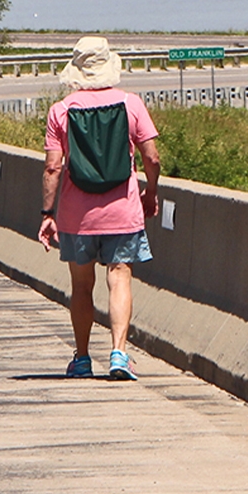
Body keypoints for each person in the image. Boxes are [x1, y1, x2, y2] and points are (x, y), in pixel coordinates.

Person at [37, 36, 160, 380]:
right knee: (119, 276)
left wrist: (48, 214)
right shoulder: (130, 104)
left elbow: (52, 168)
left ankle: (82, 358)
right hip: (122, 210)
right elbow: (152, 157)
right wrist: (150, 191)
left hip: (77, 215)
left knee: (81, 285)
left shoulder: (61, 110)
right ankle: (119, 354)